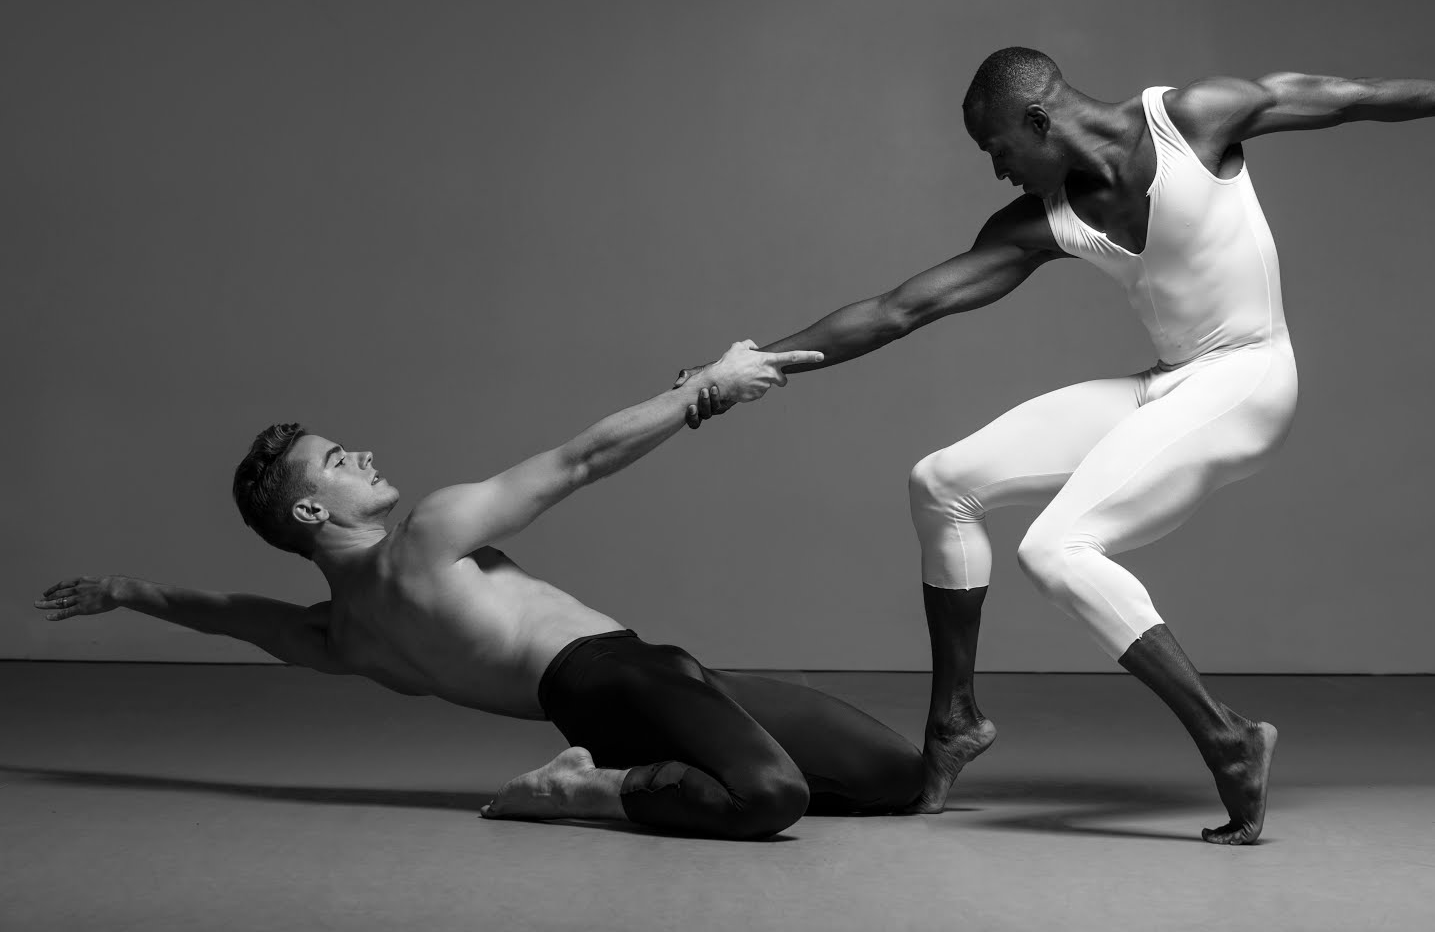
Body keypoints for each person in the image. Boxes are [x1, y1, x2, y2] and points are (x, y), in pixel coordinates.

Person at [674, 48, 1435, 844]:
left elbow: (1348, 95)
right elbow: (900, 308)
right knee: (941, 481)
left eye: (997, 151)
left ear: (1038, 117)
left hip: (1251, 380)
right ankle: (955, 719)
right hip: (1172, 379)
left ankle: (1228, 735)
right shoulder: (1043, 220)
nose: (996, 174)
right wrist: (756, 363)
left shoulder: (1194, 120)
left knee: (1058, 548)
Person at [35, 340, 923, 840]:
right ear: (311, 506)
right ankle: (584, 791)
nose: (365, 456)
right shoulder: (428, 535)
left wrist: (126, 588)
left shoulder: (340, 636)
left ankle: (637, 773)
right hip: (605, 684)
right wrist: (702, 389)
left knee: (902, 779)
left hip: (658, 674)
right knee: (775, 797)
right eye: (341, 461)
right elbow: (581, 459)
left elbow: (232, 619)